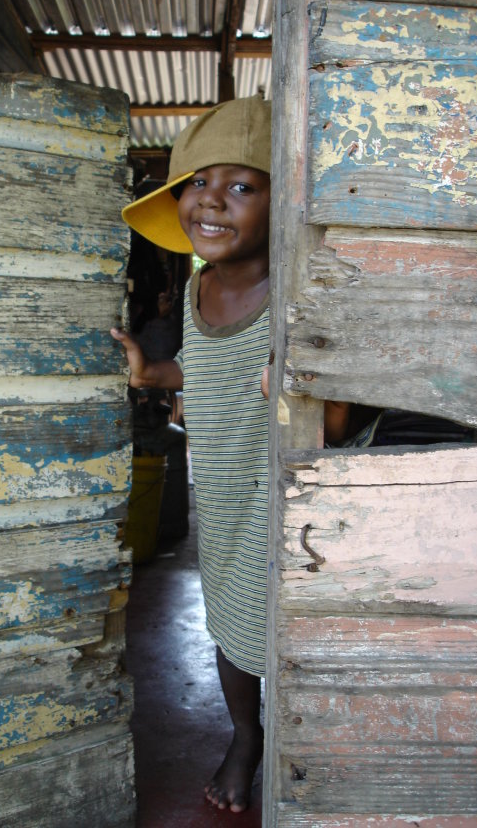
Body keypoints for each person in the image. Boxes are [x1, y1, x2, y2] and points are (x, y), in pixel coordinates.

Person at [111, 95, 348, 813]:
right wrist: (157, 375)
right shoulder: (195, 287)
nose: (211, 202)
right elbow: (204, 367)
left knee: (286, 630)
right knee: (227, 624)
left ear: (285, 201)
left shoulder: (300, 294)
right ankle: (246, 735)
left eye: (242, 186)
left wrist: (304, 381)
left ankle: (310, 749)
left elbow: (335, 421)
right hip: (217, 490)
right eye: (197, 184)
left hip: (286, 502)